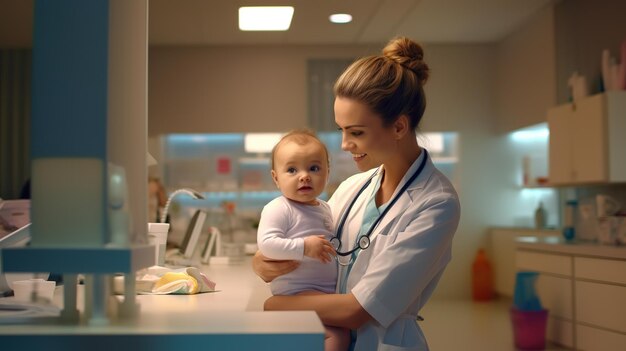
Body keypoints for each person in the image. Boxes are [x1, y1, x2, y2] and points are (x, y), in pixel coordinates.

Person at [253, 36, 461, 351]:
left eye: (356, 133)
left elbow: (358, 310)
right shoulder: (353, 187)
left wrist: (274, 305)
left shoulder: (435, 204)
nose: (345, 145)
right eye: (341, 130)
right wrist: (262, 260)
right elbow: (307, 239)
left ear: (399, 127)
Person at [257, 129, 349, 351]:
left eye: (314, 168)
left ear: (327, 172)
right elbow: (267, 244)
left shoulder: (325, 208)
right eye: (291, 169)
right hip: (297, 292)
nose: (304, 176)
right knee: (337, 337)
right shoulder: (280, 208)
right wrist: (304, 247)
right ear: (276, 177)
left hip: (325, 293)